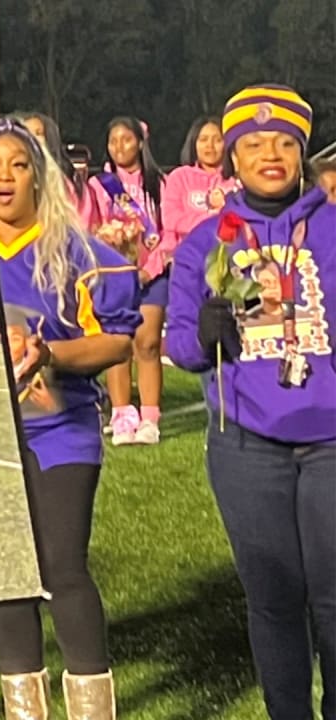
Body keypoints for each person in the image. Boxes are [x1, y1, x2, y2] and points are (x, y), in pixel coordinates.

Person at [167, 85, 334, 720]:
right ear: (231, 159)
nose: (270, 154)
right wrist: (204, 332)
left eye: (285, 143)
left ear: (302, 153)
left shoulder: (333, 227)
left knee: (334, 597)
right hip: (246, 442)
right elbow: (181, 344)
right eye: (254, 145)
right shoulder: (207, 241)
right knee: (274, 598)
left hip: (330, 440)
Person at [0, 116, 140, 719]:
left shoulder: (76, 252)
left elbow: (116, 343)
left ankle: (93, 710)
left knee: (62, 568)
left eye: (18, 164)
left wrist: (49, 353)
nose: (5, 177)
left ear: (39, 175)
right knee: (6, 575)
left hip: (61, 427)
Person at [87, 116, 166, 445]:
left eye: (126, 139)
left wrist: (153, 267)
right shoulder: (99, 185)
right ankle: (121, 415)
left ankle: (150, 417)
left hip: (153, 273)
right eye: (113, 141)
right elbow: (90, 228)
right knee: (117, 345)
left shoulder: (159, 183)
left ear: (140, 143)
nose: (120, 147)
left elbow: (168, 231)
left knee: (147, 342)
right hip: (115, 277)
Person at [161, 116, 241, 247]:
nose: (209, 146)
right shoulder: (179, 177)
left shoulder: (236, 181)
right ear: (194, 143)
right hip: (185, 251)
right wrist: (211, 219)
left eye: (218, 140)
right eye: (203, 140)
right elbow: (170, 219)